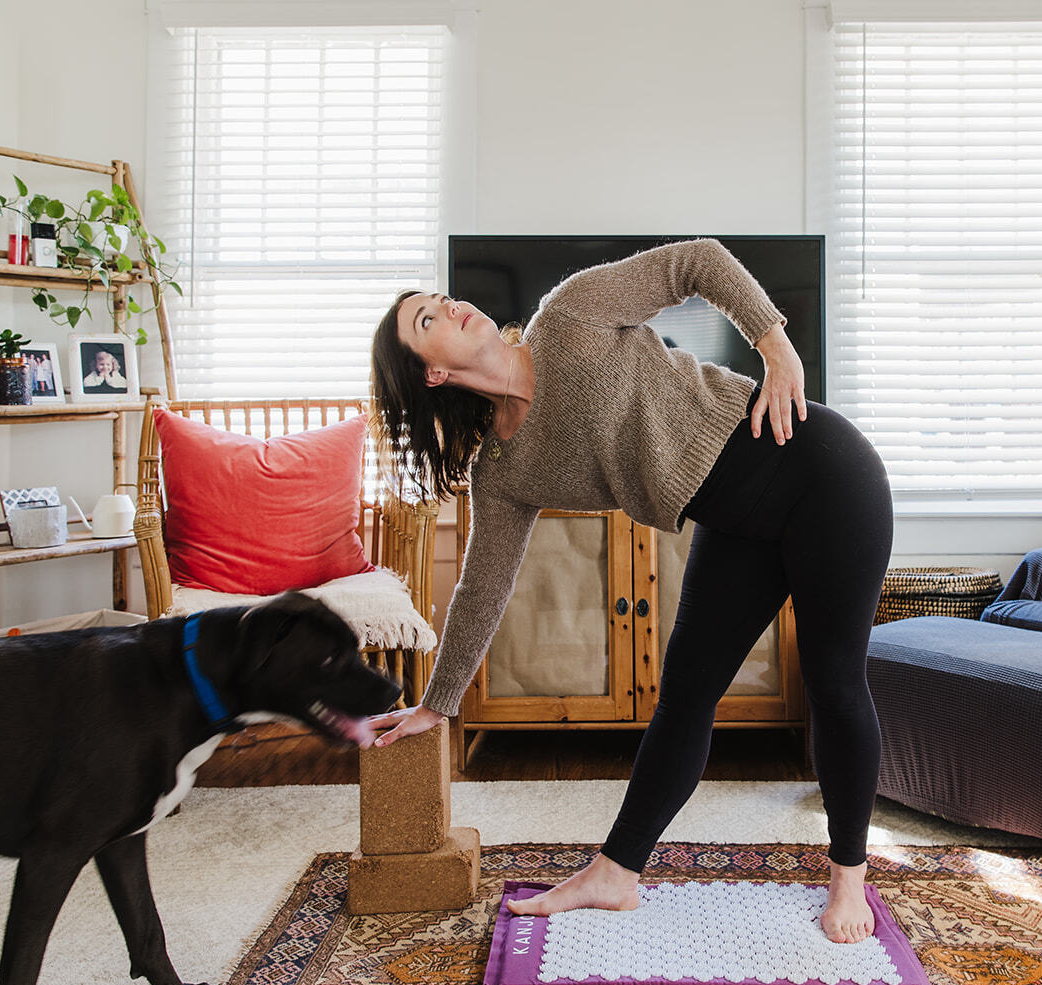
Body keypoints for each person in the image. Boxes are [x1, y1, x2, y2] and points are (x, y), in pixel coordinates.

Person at [366, 239, 893, 944]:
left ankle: (850, 875)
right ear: (431, 373)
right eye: (427, 319)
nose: (451, 306)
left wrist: (777, 348)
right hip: (737, 523)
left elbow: (697, 260)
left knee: (832, 681)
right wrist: (439, 702)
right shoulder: (504, 469)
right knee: (685, 694)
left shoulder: (569, 315)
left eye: (440, 300)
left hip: (823, 474)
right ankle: (616, 872)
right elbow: (483, 582)